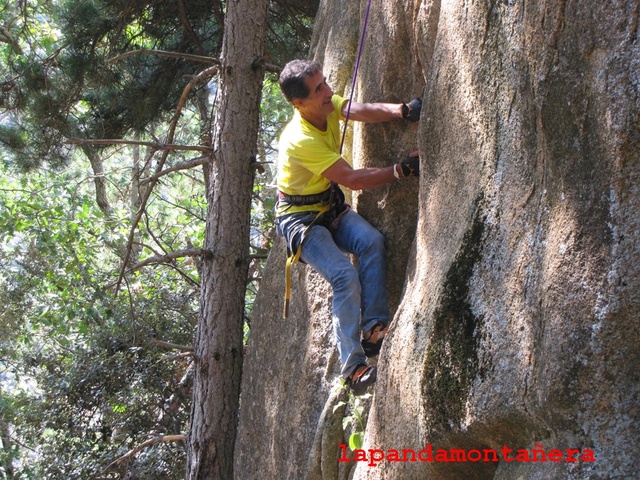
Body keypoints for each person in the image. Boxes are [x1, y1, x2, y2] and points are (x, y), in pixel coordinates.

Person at [275, 59, 420, 395]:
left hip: (329, 208)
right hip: (300, 222)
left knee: (371, 241)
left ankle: (373, 329)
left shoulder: (324, 107)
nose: (328, 92)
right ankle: (353, 368)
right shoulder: (299, 138)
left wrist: (402, 111)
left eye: (324, 83)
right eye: (319, 90)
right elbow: (352, 179)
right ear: (299, 103)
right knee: (343, 275)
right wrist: (401, 170)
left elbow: (359, 110)